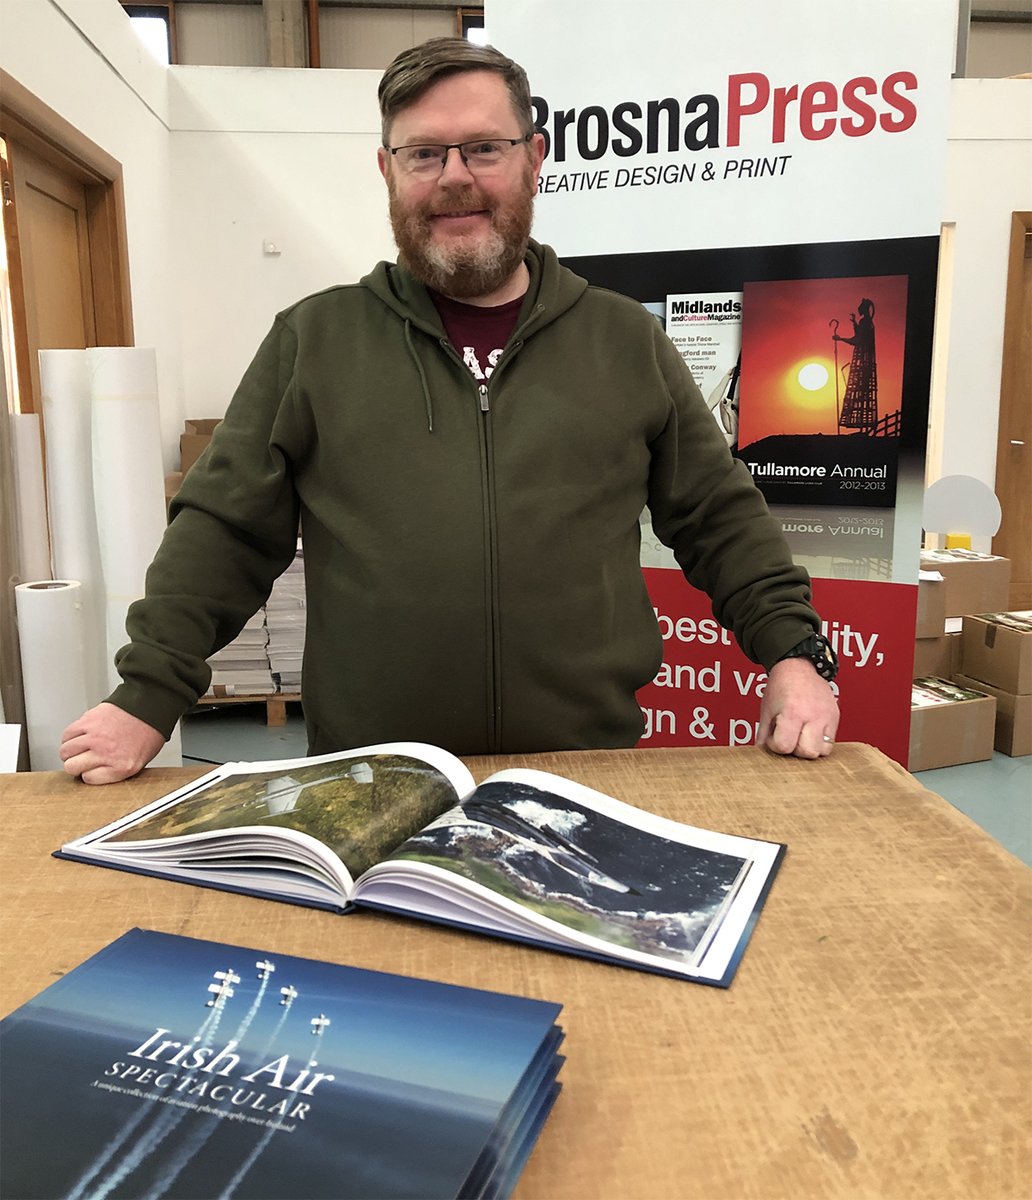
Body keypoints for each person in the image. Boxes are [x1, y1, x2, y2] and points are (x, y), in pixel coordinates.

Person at [60, 37, 839, 786]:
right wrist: (147, 696)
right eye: (424, 153)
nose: (454, 177)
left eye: (484, 149)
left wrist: (793, 656)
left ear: (534, 159)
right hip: (369, 774)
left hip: (585, 770)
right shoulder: (314, 341)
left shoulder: (624, 340)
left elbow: (718, 516)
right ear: (387, 170)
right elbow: (223, 534)